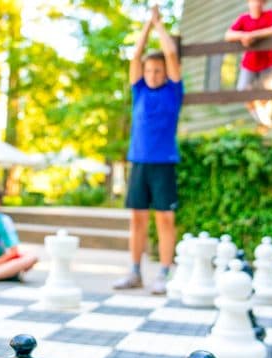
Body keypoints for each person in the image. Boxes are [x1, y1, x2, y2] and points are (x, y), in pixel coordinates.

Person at [114, 5, 183, 295]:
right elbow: (135, 56)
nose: (153, 74)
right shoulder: (139, 90)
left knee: (165, 219)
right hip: (139, 162)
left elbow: (170, 54)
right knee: (137, 218)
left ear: (166, 73)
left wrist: (159, 26)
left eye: (158, 70)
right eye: (149, 70)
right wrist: (146, 27)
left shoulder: (173, 91)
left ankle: (165, 273)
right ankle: (134, 272)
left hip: (164, 162)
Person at [225, 0, 272, 129]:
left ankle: (264, 123)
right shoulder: (244, 19)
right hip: (249, 64)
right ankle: (264, 122)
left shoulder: (270, 15)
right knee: (244, 92)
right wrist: (243, 36)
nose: (257, 3)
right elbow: (228, 35)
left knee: (267, 95)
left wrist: (253, 35)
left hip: (268, 63)